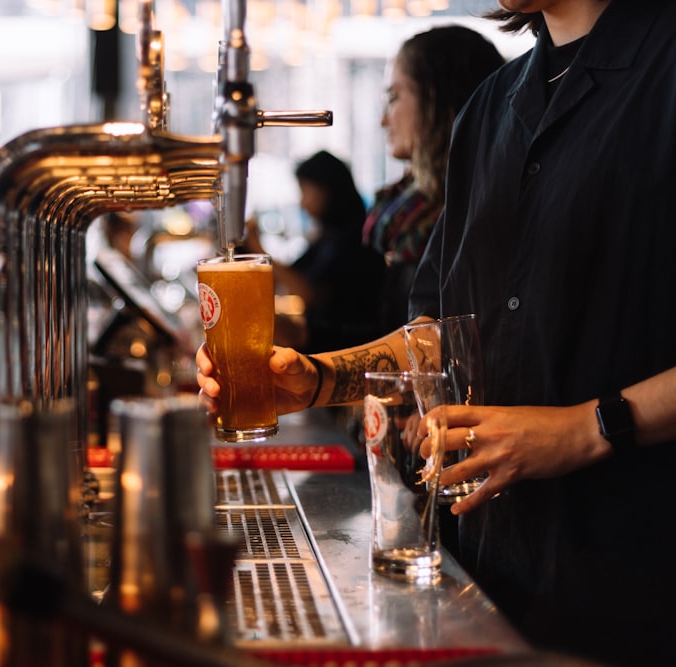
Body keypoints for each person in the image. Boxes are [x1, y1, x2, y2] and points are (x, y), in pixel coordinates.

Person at [199, 1, 676, 664]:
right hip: (493, 567)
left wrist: (583, 427)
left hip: (639, 585)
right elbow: (442, 332)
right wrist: (314, 378)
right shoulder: (492, 106)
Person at [363, 26, 504, 332]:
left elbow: (429, 343)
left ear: (435, 98)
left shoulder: (473, 210)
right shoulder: (408, 211)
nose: (383, 119)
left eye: (394, 97)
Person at [244, 151, 385, 353]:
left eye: (305, 192)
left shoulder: (356, 236)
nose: (302, 203)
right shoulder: (329, 234)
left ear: (327, 189)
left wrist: (256, 249)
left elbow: (307, 292)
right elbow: (292, 275)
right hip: (328, 342)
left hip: (349, 349)